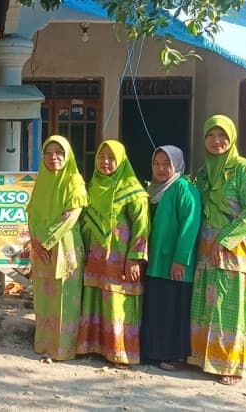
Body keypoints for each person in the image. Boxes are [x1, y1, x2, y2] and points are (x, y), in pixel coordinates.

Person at [188, 115, 246, 385]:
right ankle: (202, 358)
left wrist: (225, 240)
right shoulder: (204, 172)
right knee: (205, 303)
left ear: (231, 138)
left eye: (222, 136)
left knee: (227, 306)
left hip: (233, 248)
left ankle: (229, 364)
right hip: (205, 247)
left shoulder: (243, 169)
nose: (216, 141)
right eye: (210, 135)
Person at [77, 140, 149, 368]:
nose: (105, 162)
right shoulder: (92, 187)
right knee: (95, 299)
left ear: (121, 161)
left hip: (121, 259)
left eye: (111, 158)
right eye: (101, 157)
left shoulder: (133, 191)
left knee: (119, 303)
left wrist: (135, 259)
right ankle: (94, 347)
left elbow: (142, 227)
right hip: (95, 257)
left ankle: (120, 352)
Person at [25, 135, 88, 361]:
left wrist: (46, 241)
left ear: (67, 155)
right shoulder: (41, 180)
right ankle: (43, 344)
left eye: (59, 153)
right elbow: (31, 212)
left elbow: (71, 216)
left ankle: (63, 349)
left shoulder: (74, 181)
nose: (54, 157)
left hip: (65, 247)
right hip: (40, 248)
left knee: (65, 298)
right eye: (49, 153)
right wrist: (35, 240)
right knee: (43, 297)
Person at [139, 145, 201, 371]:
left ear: (177, 164)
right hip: (155, 261)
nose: (161, 168)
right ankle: (153, 351)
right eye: (157, 163)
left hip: (173, 263)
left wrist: (180, 259)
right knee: (157, 305)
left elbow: (190, 224)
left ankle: (174, 354)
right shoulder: (152, 190)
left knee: (174, 307)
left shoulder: (183, 188)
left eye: (167, 164)